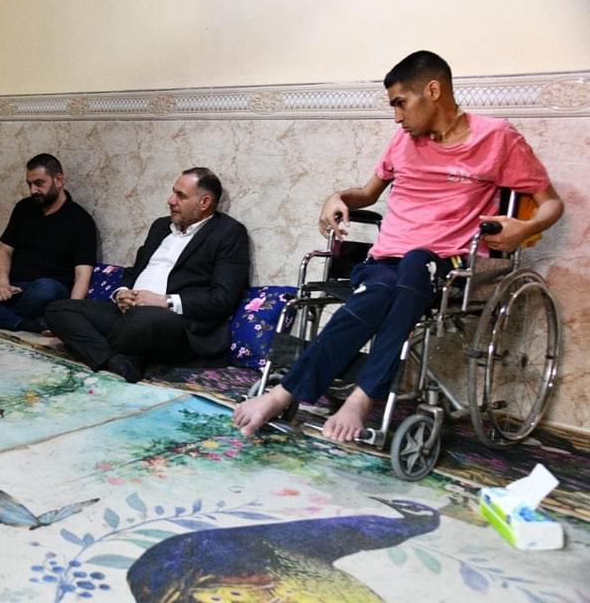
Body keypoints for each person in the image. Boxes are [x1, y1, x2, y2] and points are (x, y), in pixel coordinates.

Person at [233, 50, 564, 442]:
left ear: (433, 91)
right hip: (387, 264)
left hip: (447, 266)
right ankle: (294, 394)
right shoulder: (402, 141)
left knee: (414, 263)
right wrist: (336, 197)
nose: (396, 116)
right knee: (379, 289)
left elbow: (551, 204)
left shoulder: (497, 138)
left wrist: (525, 228)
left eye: (400, 103)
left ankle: (351, 396)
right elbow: (366, 194)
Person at [46, 167, 251, 383]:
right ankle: (115, 360)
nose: (171, 201)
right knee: (58, 310)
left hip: (175, 321)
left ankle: (102, 348)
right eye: (173, 192)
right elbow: (134, 271)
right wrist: (121, 292)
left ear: (204, 202)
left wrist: (164, 301)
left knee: (142, 321)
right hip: (129, 311)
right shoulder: (161, 226)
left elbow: (223, 298)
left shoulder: (228, 233)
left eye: (180, 196)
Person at [0, 153, 97, 333]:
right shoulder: (24, 208)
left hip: (49, 292)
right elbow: (5, 251)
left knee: (46, 288)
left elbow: (82, 276)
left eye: (39, 183)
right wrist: (2, 284)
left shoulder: (81, 220)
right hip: (15, 290)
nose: (33, 190)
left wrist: (70, 317)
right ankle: (25, 323)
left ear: (58, 180)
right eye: (29, 184)